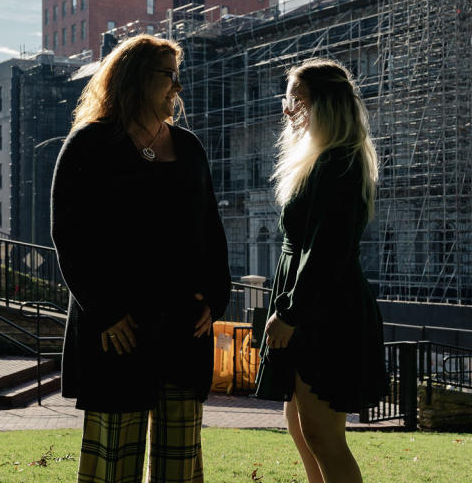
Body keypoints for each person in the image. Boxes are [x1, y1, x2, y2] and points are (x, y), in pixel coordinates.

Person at [50, 34, 231, 483]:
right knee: (112, 462)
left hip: (183, 325)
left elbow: (210, 228)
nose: (177, 87)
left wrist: (215, 295)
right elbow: (70, 237)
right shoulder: (90, 144)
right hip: (120, 329)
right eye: (167, 75)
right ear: (135, 78)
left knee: (180, 463)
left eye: (177, 76)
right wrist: (107, 312)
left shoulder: (188, 147)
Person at [255, 58, 388, 483]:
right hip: (312, 307)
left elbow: (327, 250)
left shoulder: (339, 163)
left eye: (296, 98)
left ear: (324, 104)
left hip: (327, 312)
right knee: (302, 429)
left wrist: (290, 313)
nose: (288, 108)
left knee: (322, 435)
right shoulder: (324, 160)